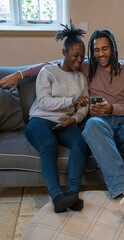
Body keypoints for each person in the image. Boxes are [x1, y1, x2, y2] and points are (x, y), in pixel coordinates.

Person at [0, 29, 124, 218]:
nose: (101, 54)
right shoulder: (87, 66)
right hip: (98, 122)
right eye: (96, 50)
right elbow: (51, 65)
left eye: (105, 49)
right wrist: (19, 74)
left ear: (113, 48)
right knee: (90, 127)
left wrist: (110, 109)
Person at [17, 21, 90, 213]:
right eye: (75, 55)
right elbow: (43, 102)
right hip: (40, 119)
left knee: (81, 143)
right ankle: (57, 196)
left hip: (65, 122)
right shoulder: (47, 72)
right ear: (64, 52)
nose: (79, 60)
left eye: (82, 56)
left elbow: (85, 105)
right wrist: (72, 100)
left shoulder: (81, 78)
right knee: (49, 146)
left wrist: (75, 119)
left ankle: (72, 193)